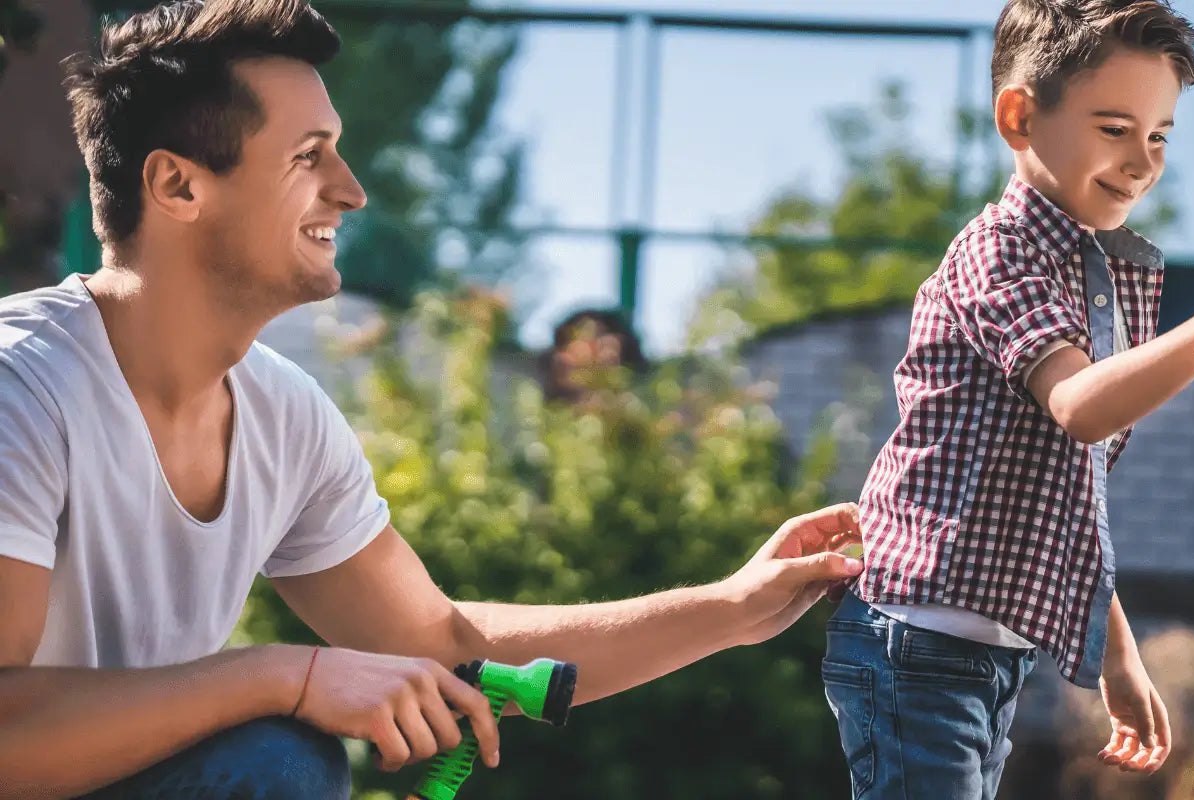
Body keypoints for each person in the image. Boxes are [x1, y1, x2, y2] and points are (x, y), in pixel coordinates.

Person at [0, 1, 863, 796]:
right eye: (308, 156)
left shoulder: (284, 417)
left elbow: (445, 645)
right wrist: (283, 676)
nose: (349, 188)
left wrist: (730, 607)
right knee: (277, 757)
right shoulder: (22, 385)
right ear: (179, 187)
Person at [822, 0, 1194, 796]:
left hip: (982, 653)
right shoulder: (998, 252)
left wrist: (1117, 658)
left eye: (1159, 135)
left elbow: (1071, 497)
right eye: (1114, 128)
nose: (1143, 160)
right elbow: (1082, 407)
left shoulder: (1092, 277)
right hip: (914, 644)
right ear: (1021, 116)